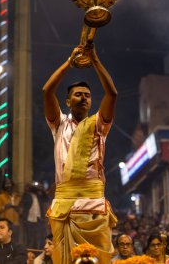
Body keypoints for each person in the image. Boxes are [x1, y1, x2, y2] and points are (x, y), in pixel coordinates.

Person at [42, 43, 118, 264]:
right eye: (77, 95)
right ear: (68, 101)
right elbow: (47, 91)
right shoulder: (59, 124)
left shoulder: (98, 124)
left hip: (93, 204)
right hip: (63, 206)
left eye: (87, 95)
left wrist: (94, 59)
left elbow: (112, 93)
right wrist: (70, 62)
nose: (84, 98)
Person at [21, 181, 48, 249]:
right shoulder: (27, 196)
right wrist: (27, 188)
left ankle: (36, 252)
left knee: (38, 238)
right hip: (29, 220)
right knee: (30, 239)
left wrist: (42, 189)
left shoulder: (38, 196)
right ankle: (30, 253)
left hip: (38, 220)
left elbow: (46, 199)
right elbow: (23, 203)